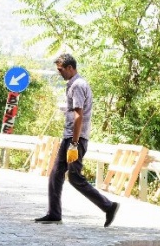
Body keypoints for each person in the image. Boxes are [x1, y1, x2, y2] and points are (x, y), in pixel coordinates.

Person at [35, 53, 120, 227]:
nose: (59, 73)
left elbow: (79, 115)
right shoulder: (74, 84)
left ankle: (108, 206)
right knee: (55, 174)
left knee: (75, 178)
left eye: (61, 70)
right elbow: (74, 109)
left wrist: (74, 143)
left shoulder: (78, 85)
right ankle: (54, 213)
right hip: (70, 137)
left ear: (70, 67)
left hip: (75, 139)